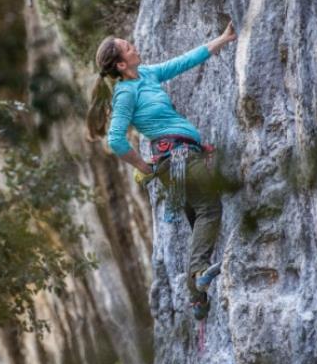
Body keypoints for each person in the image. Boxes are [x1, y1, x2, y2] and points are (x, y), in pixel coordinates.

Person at [86, 21, 237, 320]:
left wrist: (223, 39)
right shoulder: (125, 93)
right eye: (128, 47)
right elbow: (115, 139)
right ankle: (196, 278)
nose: (134, 46)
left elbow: (183, 61)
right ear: (121, 63)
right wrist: (143, 165)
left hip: (180, 160)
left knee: (198, 219)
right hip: (177, 159)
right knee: (209, 210)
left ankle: (198, 301)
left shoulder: (147, 74)